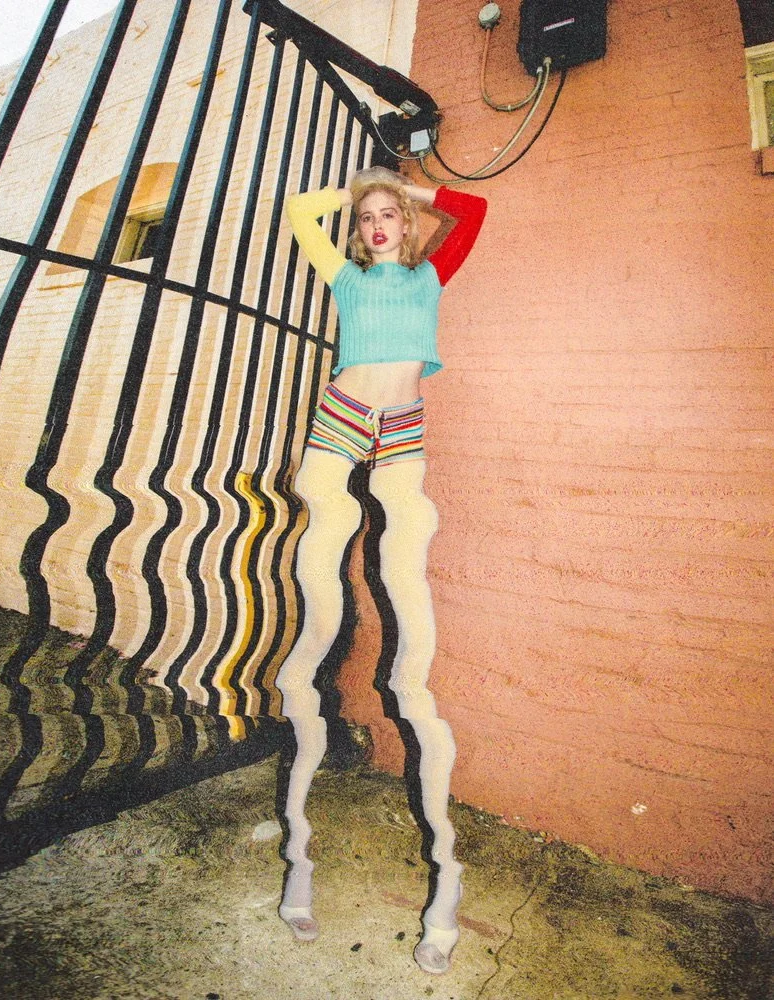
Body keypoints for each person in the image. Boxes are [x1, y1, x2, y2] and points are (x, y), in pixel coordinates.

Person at [276, 165, 487, 975]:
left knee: (413, 652)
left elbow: (473, 210)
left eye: (386, 215)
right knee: (317, 629)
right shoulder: (345, 277)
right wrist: (358, 188)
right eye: (365, 216)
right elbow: (301, 212)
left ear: (403, 221)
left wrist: (402, 188)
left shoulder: (432, 275)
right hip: (341, 417)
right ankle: (298, 859)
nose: (374, 224)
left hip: (401, 424)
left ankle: (447, 879)